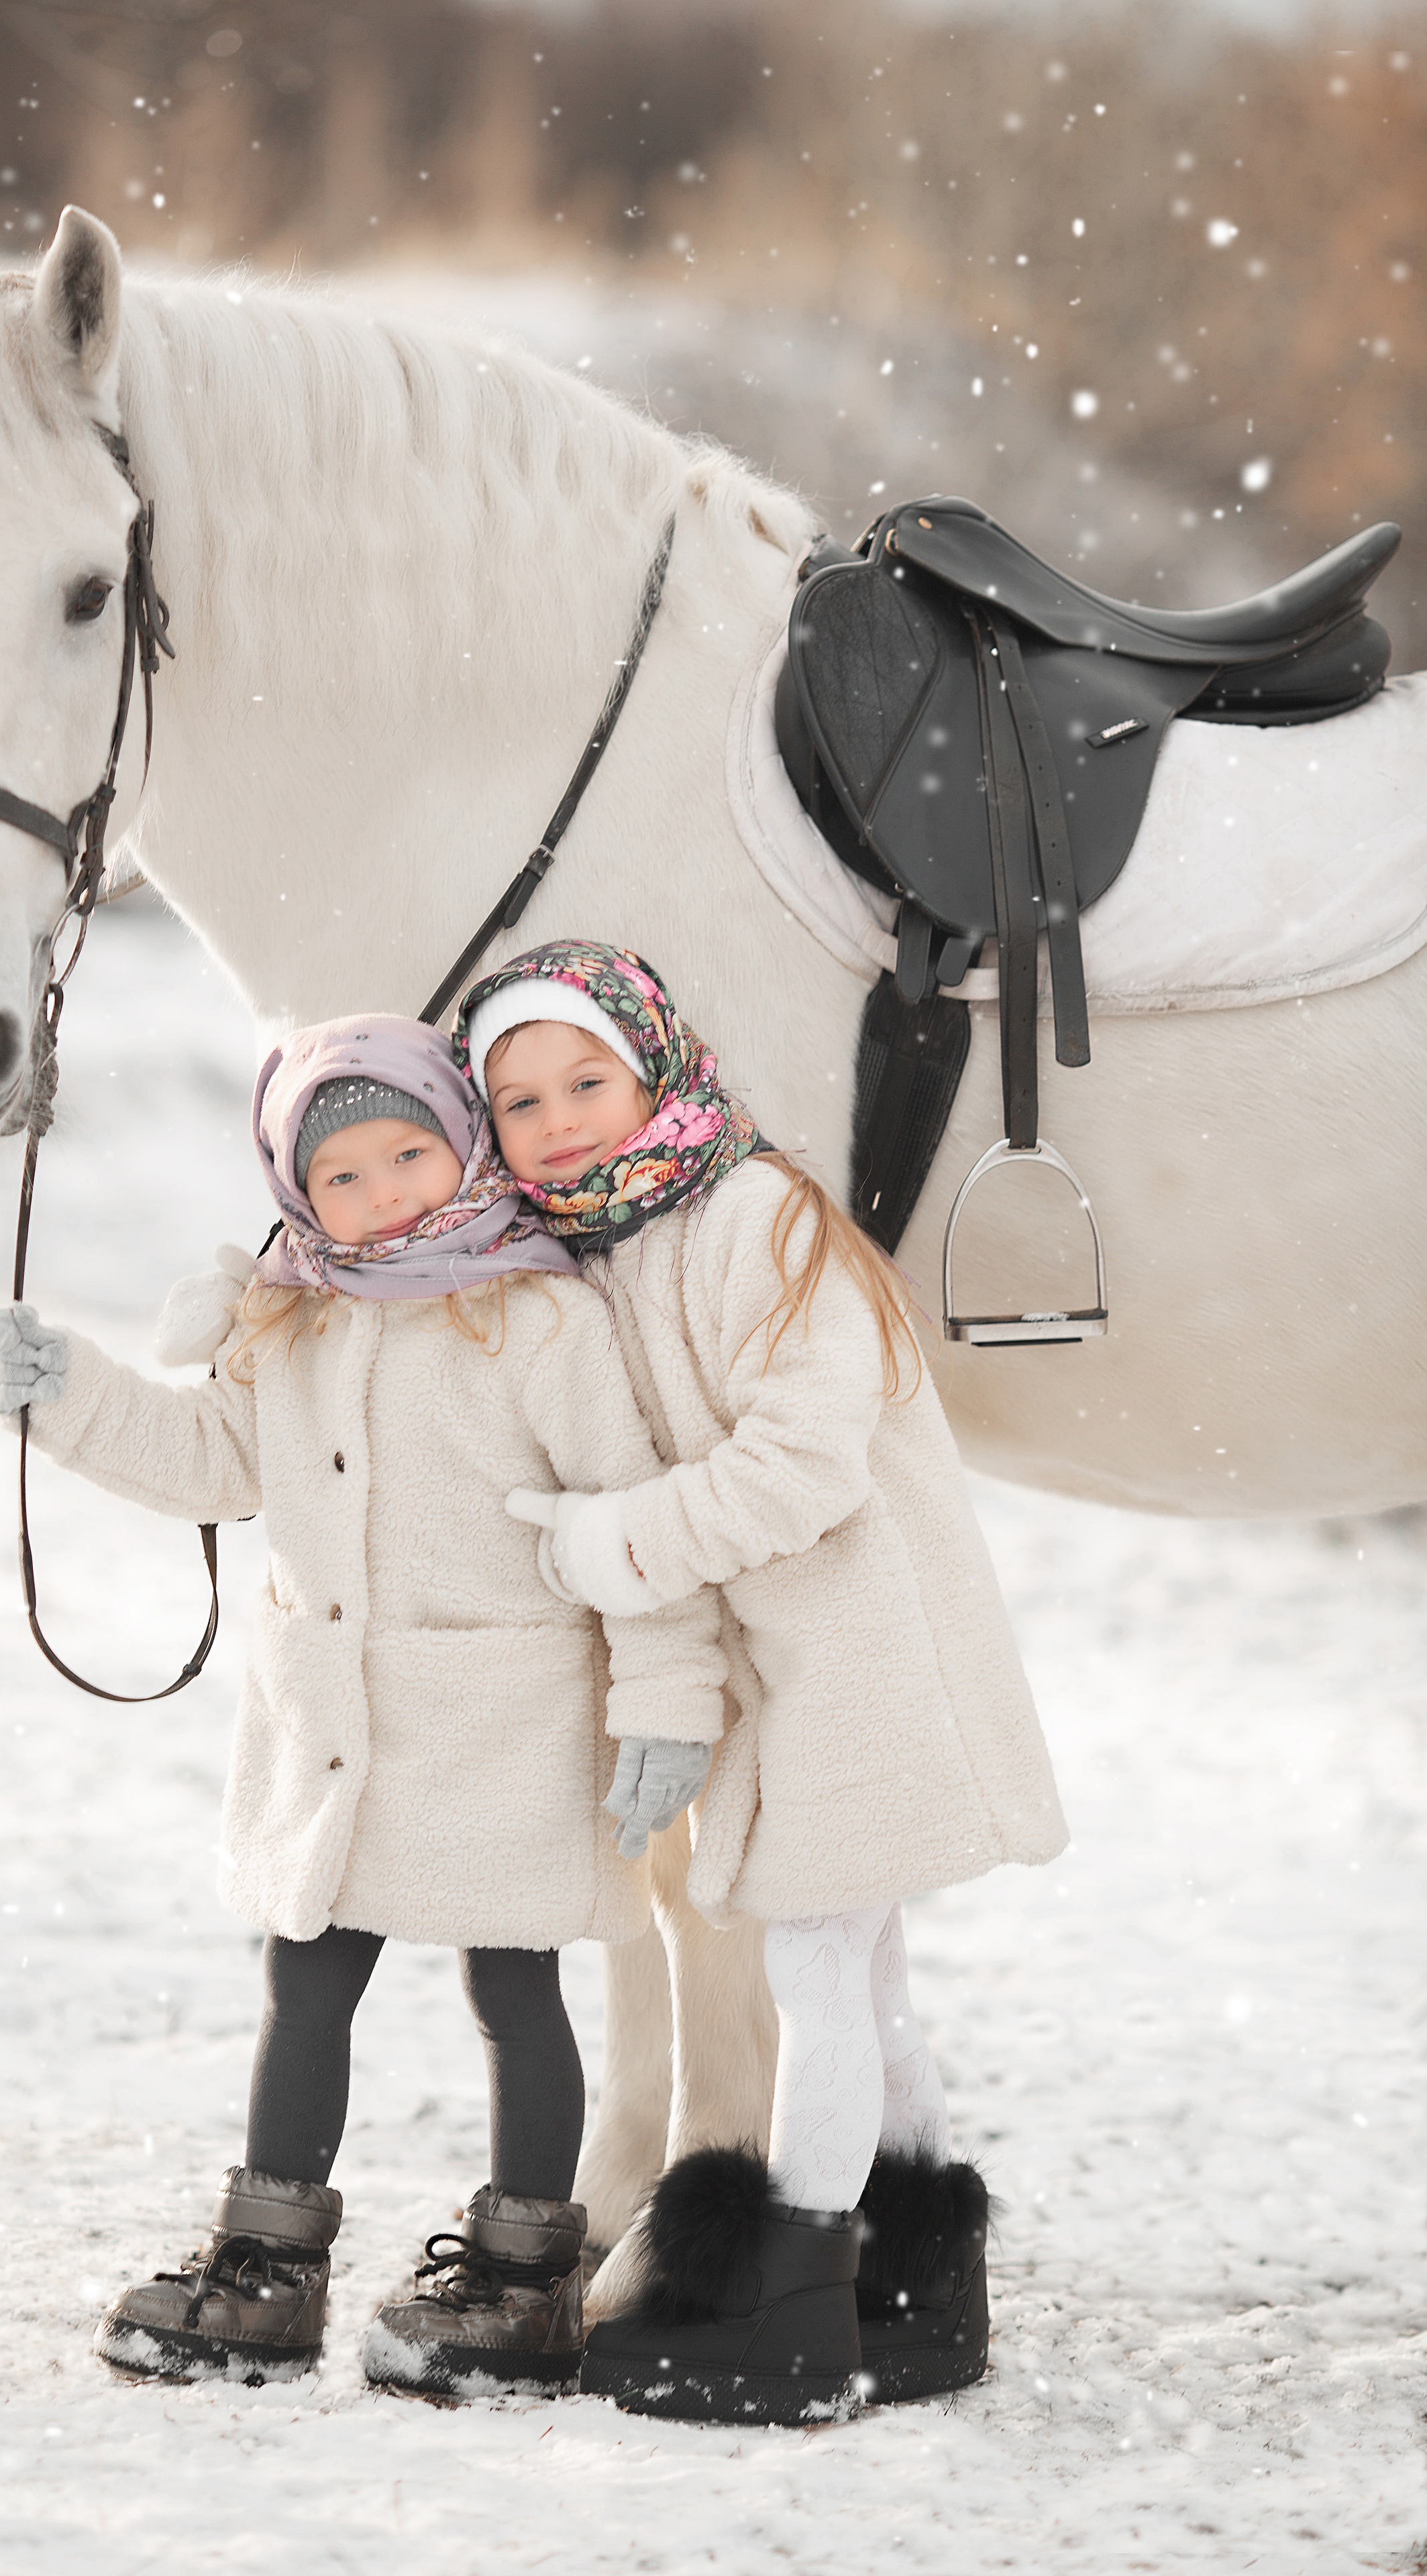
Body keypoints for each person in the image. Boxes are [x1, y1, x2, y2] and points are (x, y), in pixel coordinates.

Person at [0, 1013, 727, 2398]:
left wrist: (666, 1698)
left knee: (515, 1985)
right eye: (341, 1177)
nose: (382, 1193)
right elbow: (214, 1457)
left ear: (458, 1138)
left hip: (501, 1722)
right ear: (293, 1191)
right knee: (306, 1976)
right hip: (333, 1726)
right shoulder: (294, 1319)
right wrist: (71, 1397)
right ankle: (268, 2263)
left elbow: (628, 1522)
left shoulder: (535, 1316)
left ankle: (519, 2280)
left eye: (406, 1153)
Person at [454, 941, 1068, 2424]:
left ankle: (795, 2306)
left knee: (812, 1974)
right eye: (518, 1098)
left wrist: (616, 1545)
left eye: (585, 1079)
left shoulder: (758, 1219)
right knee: (862, 1972)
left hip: (860, 1662)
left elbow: (800, 1464)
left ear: (655, 1065)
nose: (558, 1121)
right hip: (787, 1674)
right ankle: (922, 2278)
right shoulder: (607, 1246)